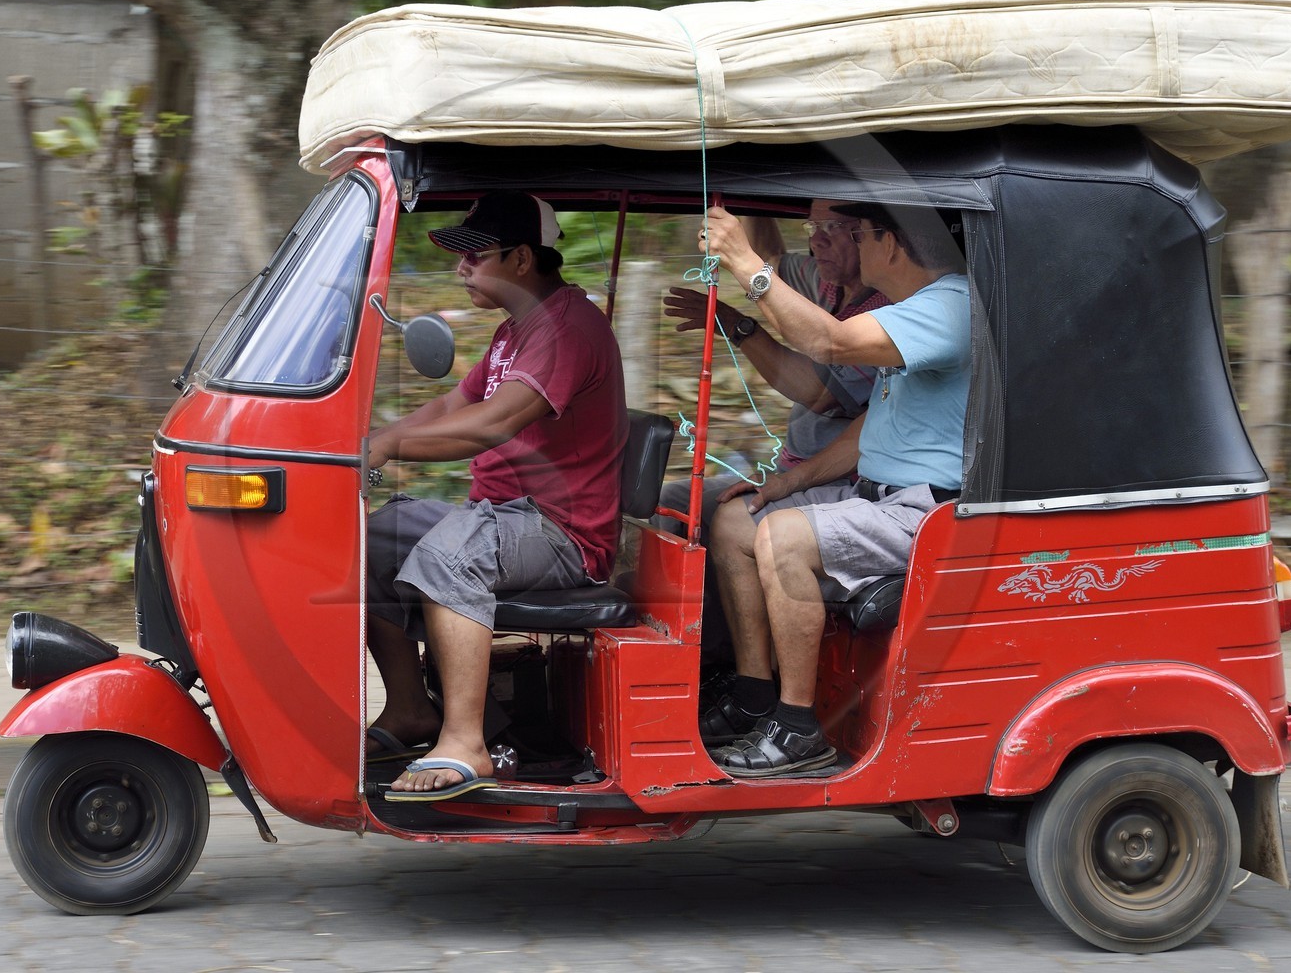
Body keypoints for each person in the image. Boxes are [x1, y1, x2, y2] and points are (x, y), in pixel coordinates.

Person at [364, 191, 628, 801]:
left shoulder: (567, 329)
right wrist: (368, 439)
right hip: (502, 515)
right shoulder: (517, 331)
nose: (461, 271)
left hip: (562, 532)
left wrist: (386, 452)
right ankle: (410, 712)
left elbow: (490, 425)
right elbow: (455, 406)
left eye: (474, 257)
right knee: (374, 538)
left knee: (450, 556)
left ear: (520, 260)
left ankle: (466, 743)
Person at [696, 201, 969, 776]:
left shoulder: (952, 306)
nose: (848, 247)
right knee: (735, 520)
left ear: (889, 244)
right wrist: (787, 482)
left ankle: (798, 730)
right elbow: (869, 428)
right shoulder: (913, 308)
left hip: (928, 511)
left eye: (859, 236)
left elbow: (831, 343)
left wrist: (743, 260)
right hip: (877, 494)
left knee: (784, 540)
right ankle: (754, 692)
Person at [654, 202, 889, 672]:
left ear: (870, 236)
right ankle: (691, 657)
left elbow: (818, 392)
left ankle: (746, 677)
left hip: (836, 479)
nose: (817, 240)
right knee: (671, 502)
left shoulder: (883, 315)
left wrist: (738, 326)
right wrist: (740, 199)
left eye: (834, 229)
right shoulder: (826, 280)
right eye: (812, 227)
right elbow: (765, 262)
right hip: (792, 466)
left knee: (729, 517)